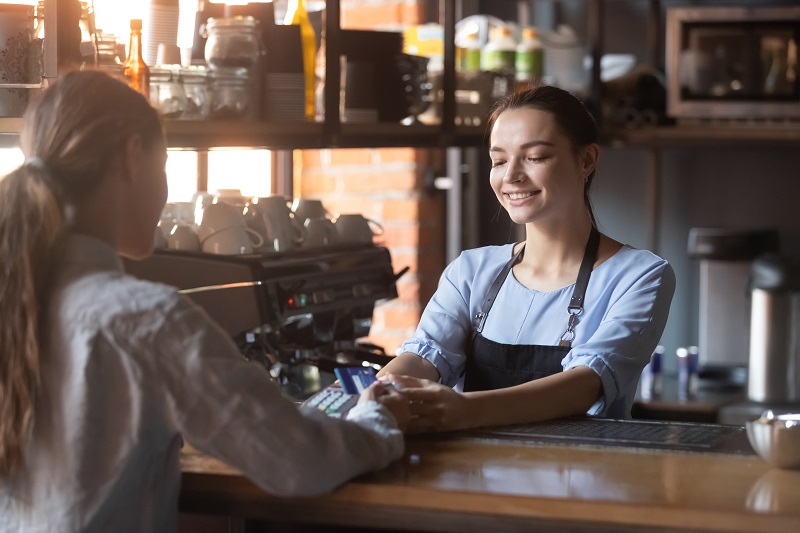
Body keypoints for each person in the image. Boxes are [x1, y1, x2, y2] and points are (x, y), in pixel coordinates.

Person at [0, 70, 409, 532]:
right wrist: (377, 419)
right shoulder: (145, 319)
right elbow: (300, 459)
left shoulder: (20, 297)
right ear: (133, 157)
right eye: (166, 164)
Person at [378, 85, 675, 433]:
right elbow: (427, 354)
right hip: (473, 476)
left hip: (581, 478)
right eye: (499, 161)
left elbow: (586, 383)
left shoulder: (640, 275)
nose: (511, 176)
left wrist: (465, 410)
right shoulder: (471, 271)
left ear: (587, 160)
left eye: (535, 157)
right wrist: (383, 387)